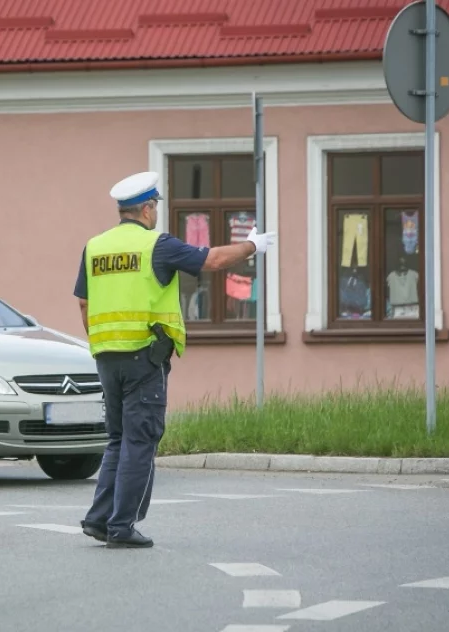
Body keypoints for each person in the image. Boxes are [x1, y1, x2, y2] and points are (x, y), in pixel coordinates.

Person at [74, 171, 276, 548]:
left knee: (118, 439)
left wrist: (104, 342)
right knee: (140, 441)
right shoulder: (157, 246)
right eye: (155, 208)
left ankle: (100, 519)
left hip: (105, 357)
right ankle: (121, 525)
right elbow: (213, 260)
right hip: (143, 358)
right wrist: (252, 246)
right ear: (148, 209)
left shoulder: (95, 247)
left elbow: (84, 303)